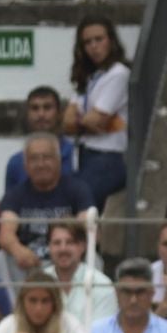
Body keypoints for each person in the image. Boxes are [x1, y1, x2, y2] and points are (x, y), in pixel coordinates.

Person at [0, 131, 94, 281]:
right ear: (25, 165)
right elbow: (5, 235)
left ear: (58, 160)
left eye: (46, 157)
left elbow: (88, 228)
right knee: (2, 257)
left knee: (95, 258)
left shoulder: (78, 189)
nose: (40, 164)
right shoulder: (15, 195)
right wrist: (18, 250)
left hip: (65, 257)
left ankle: (86, 303)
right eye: (34, 159)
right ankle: (13, 305)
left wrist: (64, 251)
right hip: (30, 262)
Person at [64, 12, 131, 205]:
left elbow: (96, 120)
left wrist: (84, 120)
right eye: (87, 42)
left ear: (111, 40)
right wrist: (86, 122)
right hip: (84, 153)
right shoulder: (89, 76)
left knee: (81, 206)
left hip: (107, 157)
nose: (93, 46)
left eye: (99, 39)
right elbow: (68, 122)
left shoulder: (118, 73)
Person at [92, 258, 167, 333]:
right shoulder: (96, 332)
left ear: (151, 293)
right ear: (116, 293)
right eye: (127, 292)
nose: (133, 300)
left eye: (140, 292)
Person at [4, 86, 78, 196]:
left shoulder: (76, 156)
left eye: (47, 108)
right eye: (35, 108)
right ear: (27, 114)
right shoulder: (16, 162)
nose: (41, 114)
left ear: (59, 114)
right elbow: (9, 207)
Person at [47, 218, 116, 327]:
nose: (63, 249)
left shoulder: (102, 285)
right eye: (57, 243)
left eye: (70, 242)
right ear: (49, 247)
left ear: (82, 247)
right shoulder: (39, 282)